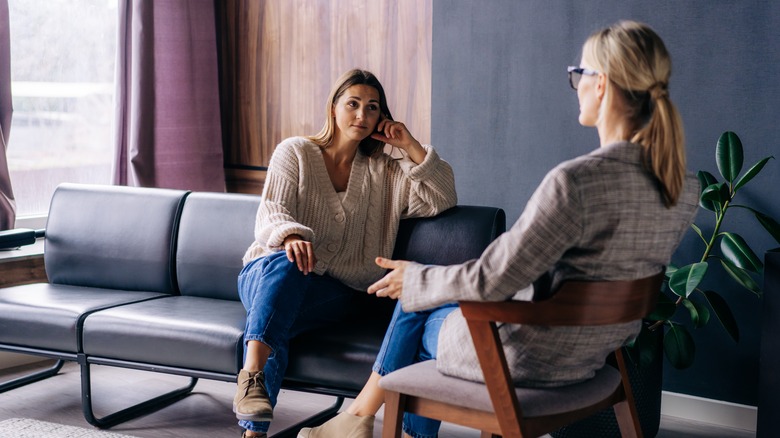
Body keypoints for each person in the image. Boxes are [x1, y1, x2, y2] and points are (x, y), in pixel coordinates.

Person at [301, 20, 700, 438]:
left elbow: (493, 279)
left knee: (416, 306)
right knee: (422, 300)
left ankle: (357, 421)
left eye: (578, 75)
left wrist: (416, 278)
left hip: (526, 358)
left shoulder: (577, 181)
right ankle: (358, 422)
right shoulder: (680, 186)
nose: (576, 85)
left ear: (600, 85)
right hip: (593, 354)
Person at [234, 69, 457, 438]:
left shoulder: (386, 172)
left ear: (381, 118)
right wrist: (291, 236)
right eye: (352, 104)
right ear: (333, 108)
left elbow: (442, 197)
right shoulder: (296, 151)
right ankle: (252, 381)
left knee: (281, 317)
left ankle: (254, 428)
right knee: (287, 268)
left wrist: (410, 145)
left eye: (372, 108)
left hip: (335, 292)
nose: (362, 115)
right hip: (268, 273)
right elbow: (271, 210)